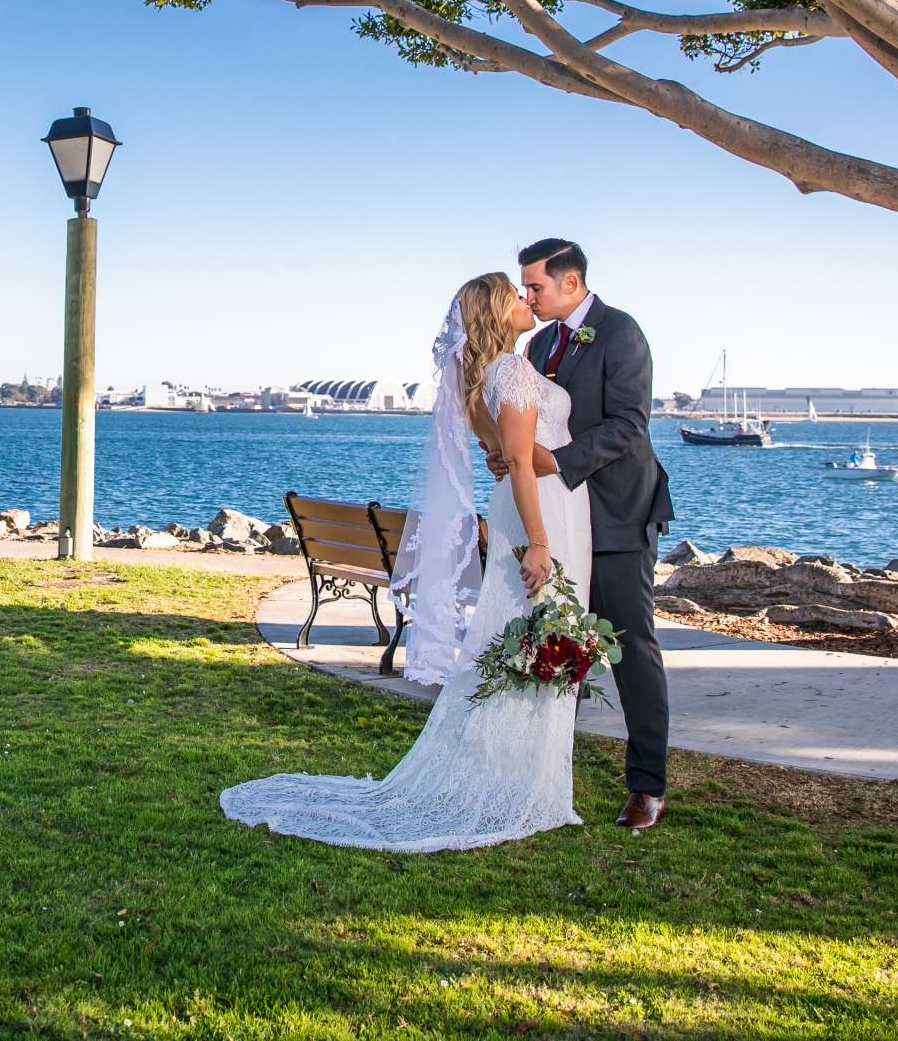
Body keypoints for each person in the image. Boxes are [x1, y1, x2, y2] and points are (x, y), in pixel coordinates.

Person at [217, 272, 593, 851]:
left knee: (525, 632)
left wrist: (529, 466)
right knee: (537, 629)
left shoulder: (481, 379)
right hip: (542, 512)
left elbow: (505, 453)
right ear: (497, 311)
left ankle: (528, 775)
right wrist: (539, 541)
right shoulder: (512, 370)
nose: (527, 300)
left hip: (536, 507)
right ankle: (530, 785)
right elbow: (519, 463)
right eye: (516, 295)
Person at [493, 238, 673, 831]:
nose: (528, 298)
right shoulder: (538, 343)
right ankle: (544, 772)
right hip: (560, 521)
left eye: (536, 287)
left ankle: (647, 787)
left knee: (631, 653)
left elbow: (630, 425)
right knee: (551, 643)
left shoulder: (621, 333)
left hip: (618, 515)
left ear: (571, 283)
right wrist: (512, 457)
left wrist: (555, 460)